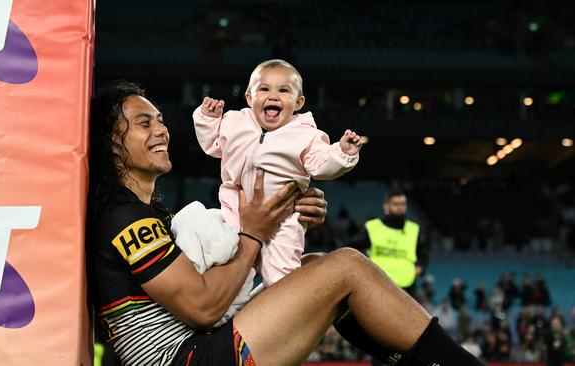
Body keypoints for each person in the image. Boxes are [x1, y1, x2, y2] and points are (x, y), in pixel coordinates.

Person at [88, 80, 484, 366]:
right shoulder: (123, 216)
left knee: (315, 264)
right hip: (186, 358)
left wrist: (285, 222)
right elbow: (204, 306)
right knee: (345, 266)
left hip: (199, 346)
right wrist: (254, 232)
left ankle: (412, 361)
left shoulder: (146, 213)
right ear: (110, 142)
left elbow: (228, 278)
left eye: (160, 120)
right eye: (144, 123)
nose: (161, 129)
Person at [193, 59, 361, 287]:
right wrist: (208, 119)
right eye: (264, 89)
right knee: (226, 264)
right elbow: (212, 144)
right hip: (234, 209)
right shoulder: (234, 122)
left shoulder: (306, 135)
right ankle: (231, 312)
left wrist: (342, 152)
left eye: (284, 90)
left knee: (282, 277)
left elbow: (321, 165)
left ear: (298, 102)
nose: (273, 96)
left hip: (283, 219)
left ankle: (286, 313)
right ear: (250, 98)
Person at [353, 191, 429, 298]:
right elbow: (352, 247)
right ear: (386, 206)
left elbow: (424, 253)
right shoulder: (373, 227)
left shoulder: (414, 229)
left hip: (407, 286)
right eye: (396, 204)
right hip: (377, 284)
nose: (400, 207)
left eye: (403, 204)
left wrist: (419, 269)